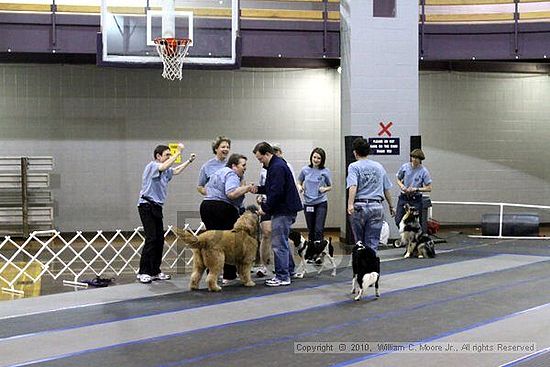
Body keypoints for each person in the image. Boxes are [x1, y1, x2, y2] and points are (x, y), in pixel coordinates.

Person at [137, 143, 196, 284]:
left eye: (170, 154)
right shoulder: (152, 166)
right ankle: (143, 272)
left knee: (159, 240)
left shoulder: (165, 170)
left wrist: (188, 161)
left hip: (157, 207)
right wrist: (178, 152)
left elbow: (175, 171)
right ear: (158, 156)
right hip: (146, 205)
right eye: (167, 155)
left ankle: (155, 271)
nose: (170, 157)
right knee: (151, 238)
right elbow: (164, 166)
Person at [200, 153, 255, 284]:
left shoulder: (219, 173)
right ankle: (229, 275)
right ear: (234, 165)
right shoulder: (231, 174)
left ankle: (212, 274)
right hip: (222, 208)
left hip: (206, 206)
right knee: (231, 241)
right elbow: (231, 193)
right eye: (243, 165)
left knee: (212, 242)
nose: (245, 168)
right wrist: (246, 188)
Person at [253, 142, 303, 287]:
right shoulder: (277, 165)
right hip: (286, 209)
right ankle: (289, 270)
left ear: (268, 154)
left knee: (278, 244)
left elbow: (276, 192)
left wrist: (265, 208)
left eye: (260, 159)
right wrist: (258, 189)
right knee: (283, 242)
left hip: (283, 210)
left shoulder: (277, 167)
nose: (261, 163)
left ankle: (282, 276)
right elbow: (271, 187)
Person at [346, 138, 395, 252]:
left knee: (360, 243)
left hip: (360, 206)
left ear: (355, 152)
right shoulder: (379, 166)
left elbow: (353, 186)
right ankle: (372, 267)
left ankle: (361, 267)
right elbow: (386, 188)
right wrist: (391, 206)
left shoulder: (354, 166)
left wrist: (350, 204)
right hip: (376, 207)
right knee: (373, 242)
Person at [297, 147, 332, 244]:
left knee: (319, 229)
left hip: (321, 202)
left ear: (322, 160)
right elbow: (299, 181)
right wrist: (300, 187)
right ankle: (311, 251)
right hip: (308, 203)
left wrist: (324, 189)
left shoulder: (325, 171)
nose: (316, 160)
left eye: (319, 158)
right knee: (311, 229)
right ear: (311, 157)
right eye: (314, 157)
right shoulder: (305, 170)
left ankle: (319, 250)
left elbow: (330, 186)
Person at [394, 148, 432, 228]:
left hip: (416, 199)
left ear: (420, 160)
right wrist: (402, 186)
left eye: (417, 158)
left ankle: (413, 239)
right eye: (413, 157)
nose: (414, 160)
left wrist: (416, 189)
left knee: (415, 223)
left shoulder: (424, 171)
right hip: (404, 197)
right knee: (398, 220)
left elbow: (429, 188)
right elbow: (398, 179)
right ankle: (404, 237)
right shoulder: (404, 167)